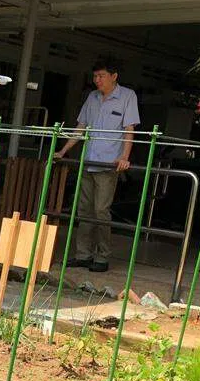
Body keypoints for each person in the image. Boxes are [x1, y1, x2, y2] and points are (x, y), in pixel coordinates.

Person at [55, 58, 140, 273]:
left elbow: (129, 130)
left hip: (108, 164)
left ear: (114, 76)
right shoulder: (92, 97)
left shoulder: (127, 96)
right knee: (84, 210)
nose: (97, 80)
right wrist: (63, 151)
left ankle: (102, 256)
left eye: (101, 76)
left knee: (101, 210)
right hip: (88, 161)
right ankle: (83, 255)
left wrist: (124, 157)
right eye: (95, 76)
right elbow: (81, 127)